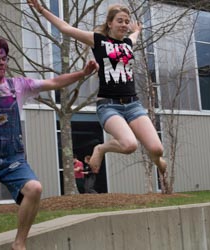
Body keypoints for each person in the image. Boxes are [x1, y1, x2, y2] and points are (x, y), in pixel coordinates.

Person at [0, 37, 98, 250]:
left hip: (13, 158)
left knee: (34, 188)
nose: (2, 63)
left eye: (4, 58)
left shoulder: (19, 86)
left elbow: (54, 83)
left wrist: (82, 74)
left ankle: (19, 243)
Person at [27, 1, 167, 175]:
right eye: (120, 21)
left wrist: (137, 29)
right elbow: (65, 28)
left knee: (157, 149)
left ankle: (157, 160)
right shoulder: (98, 40)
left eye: (126, 22)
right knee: (130, 145)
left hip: (133, 105)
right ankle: (101, 148)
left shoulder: (128, 44)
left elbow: (135, 35)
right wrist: (42, 10)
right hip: (109, 106)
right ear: (110, 23)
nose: (124, 25)